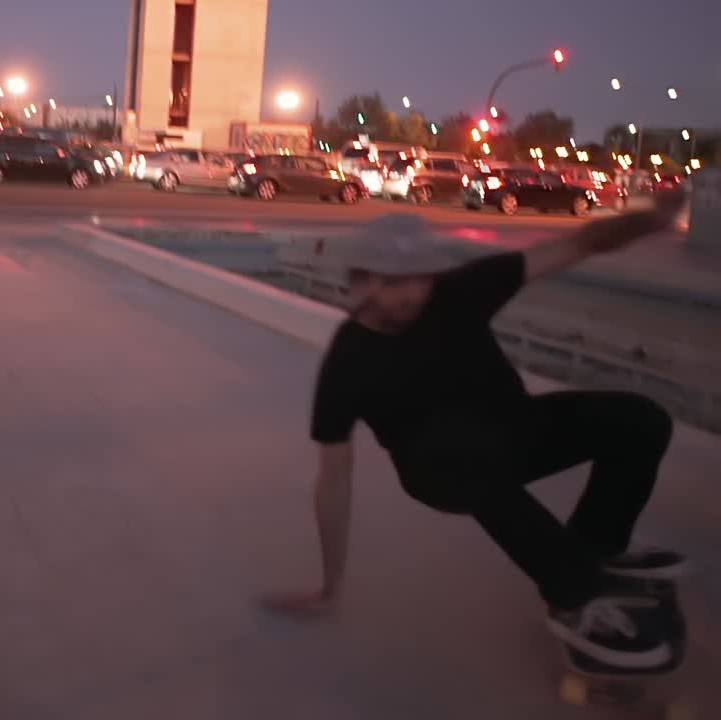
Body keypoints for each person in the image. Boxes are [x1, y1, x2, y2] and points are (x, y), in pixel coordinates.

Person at [264, 193, 689, 670]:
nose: (409, 295)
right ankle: (574, 597)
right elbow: (335, 477)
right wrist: (330, 587)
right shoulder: (348, 360)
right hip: (439, 468)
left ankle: (598, 546)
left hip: (516, 430)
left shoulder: (461, 291)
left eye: (419, 280)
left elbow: (578, 244)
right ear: (362, 283)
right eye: (392, 283)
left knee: (640, 419)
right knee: (459, 449)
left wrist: (650, 220)